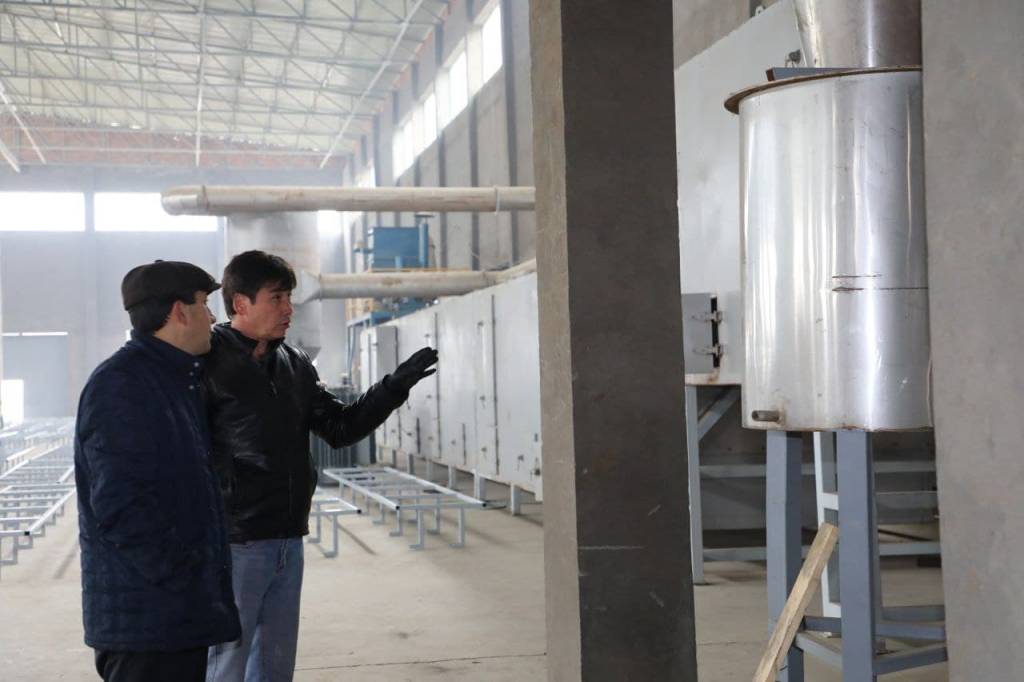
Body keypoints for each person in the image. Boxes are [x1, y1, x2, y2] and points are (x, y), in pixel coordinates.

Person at [204, 250, 438, 682]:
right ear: (240, 303)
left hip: (287, 538)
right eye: (276, 298)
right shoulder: (207, 361)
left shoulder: (294, 363)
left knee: (275, 665)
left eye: (289, 297)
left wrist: (391, 389)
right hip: (234, 541)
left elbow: (339, 427)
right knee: (225, 664)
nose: (288, 309)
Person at [74, 261, 241, 682]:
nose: (212, 317)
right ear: (179, 311)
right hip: (148, 621)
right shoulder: (122, 385)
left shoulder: (174, 380)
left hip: (173, 614)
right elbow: (120, 506)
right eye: (204, 304)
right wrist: (183, 576)